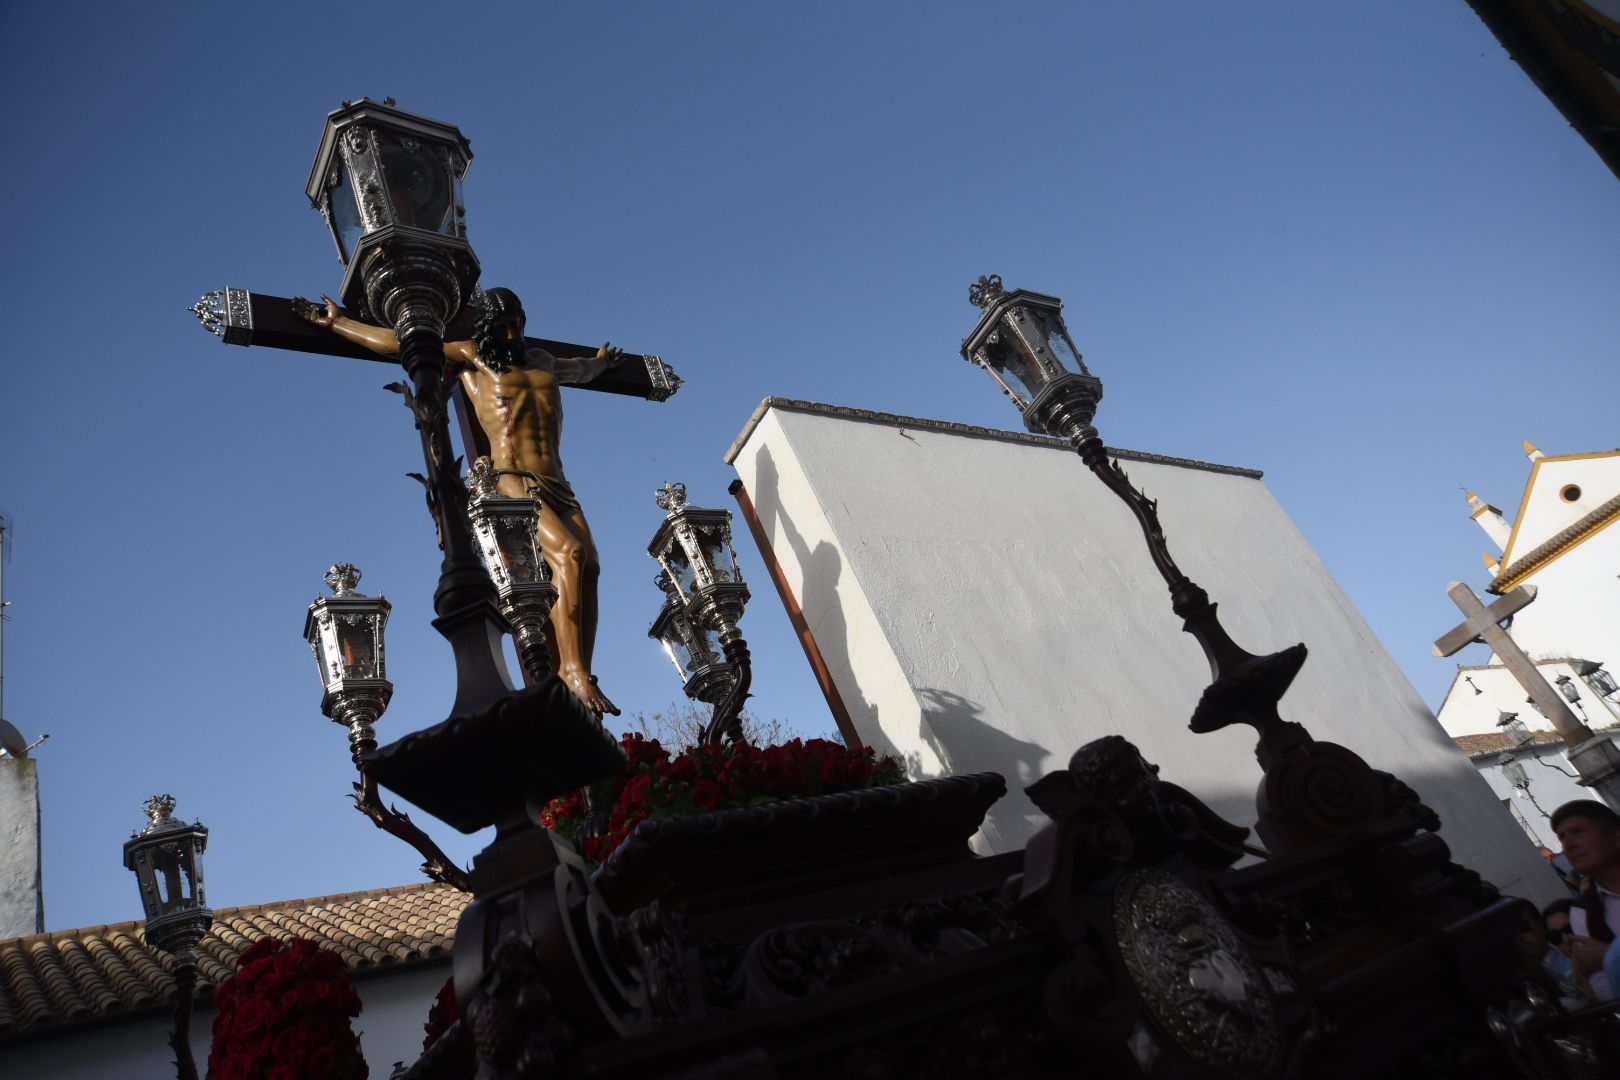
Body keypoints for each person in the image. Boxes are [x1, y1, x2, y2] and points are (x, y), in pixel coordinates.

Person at [294, 288, 621, 716]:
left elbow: (580, 370)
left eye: (516, 324)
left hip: (558, 481)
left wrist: (602, 363)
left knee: (591, 566)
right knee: (571, 555)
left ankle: (577, 670)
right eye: (501, 326)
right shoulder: (472, 357)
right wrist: (339, 324)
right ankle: (573, 673)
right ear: (485, 327)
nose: (510, 332)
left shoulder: (541, 360)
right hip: (513, 478)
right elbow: (402, 342)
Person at [1551, 799, 1620, 1002]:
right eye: (1562, 837)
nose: (1568, 845)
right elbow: (1603, 990)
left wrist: (1608, 957)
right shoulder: (1583, 911)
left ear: (1616, 836)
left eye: (1577, 831)